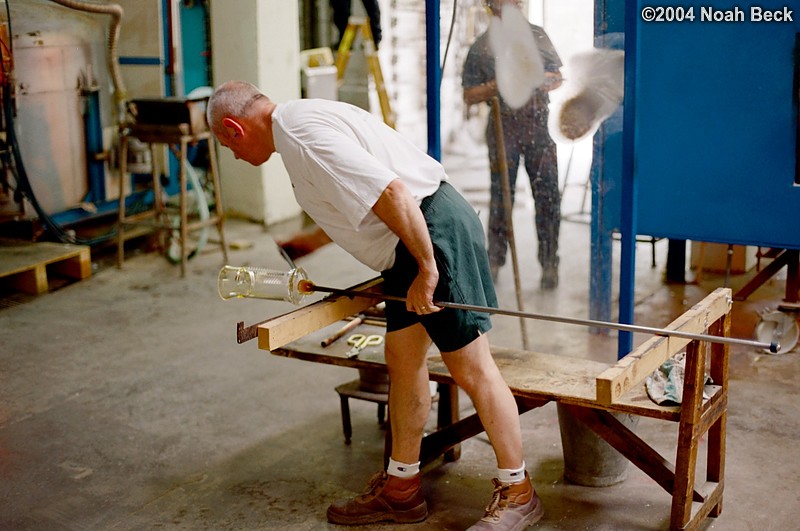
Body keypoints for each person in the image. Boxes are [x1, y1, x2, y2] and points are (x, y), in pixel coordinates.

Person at [207, 81, 543, 530]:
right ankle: (401, 490)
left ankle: (519, 490)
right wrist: (312, 239)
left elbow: (393, 194)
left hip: (429, 233)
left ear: (233, 128)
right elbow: (359, 197)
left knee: (472, 368)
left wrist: (428, 268)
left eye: (225, 145)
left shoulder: (303, 136)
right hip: (410, 242)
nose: (232, 155)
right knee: (402, 359)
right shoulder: (299, 124)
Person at [462, 0, 563, 289]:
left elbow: (557, 76)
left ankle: (549, 264)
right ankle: (494, 262)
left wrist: (541, 79)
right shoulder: (483, 46)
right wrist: (499, 84)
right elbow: (469, 94)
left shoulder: (537, 36)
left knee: (547, 198)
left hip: (537, 128)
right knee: (501, 200)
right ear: (491, 7)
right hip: (503, 129)